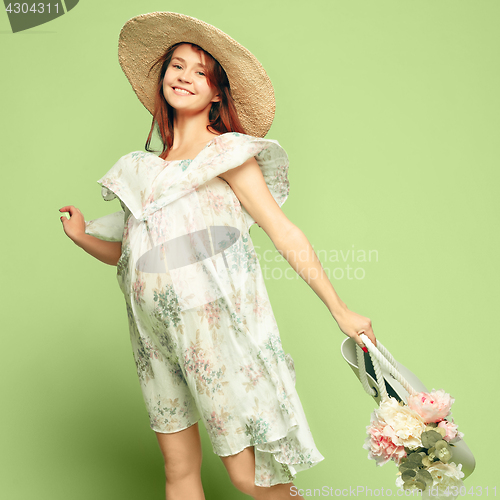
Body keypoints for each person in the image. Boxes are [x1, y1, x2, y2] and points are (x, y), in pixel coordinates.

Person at [59, 12, 377, 500]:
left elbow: (284, 231)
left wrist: (339, 308)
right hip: (153, 338)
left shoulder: (227, 154)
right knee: (178, 471)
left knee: (249, 479)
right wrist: (84, 238)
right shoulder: (143, 171)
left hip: (216, 333)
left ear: (216, 94)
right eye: (176, 65)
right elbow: (133, 255)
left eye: (199, 71)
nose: (184, 76)